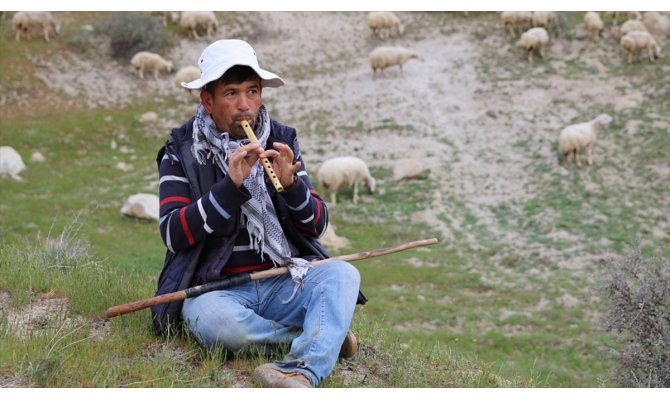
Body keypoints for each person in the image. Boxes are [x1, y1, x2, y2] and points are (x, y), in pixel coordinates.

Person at [151, 39, 364, 388]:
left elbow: (317, 225)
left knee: (342, 275)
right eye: (231, 93)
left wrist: (293, 187)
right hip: (217, 291)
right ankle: (321, 337)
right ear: (207, 100)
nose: (244, 106)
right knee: (218, 325)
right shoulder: (181, 151)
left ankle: (302, 372)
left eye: (252, 91)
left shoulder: (280, 139)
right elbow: (173, 234)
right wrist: (228, 189)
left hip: (285, 280)